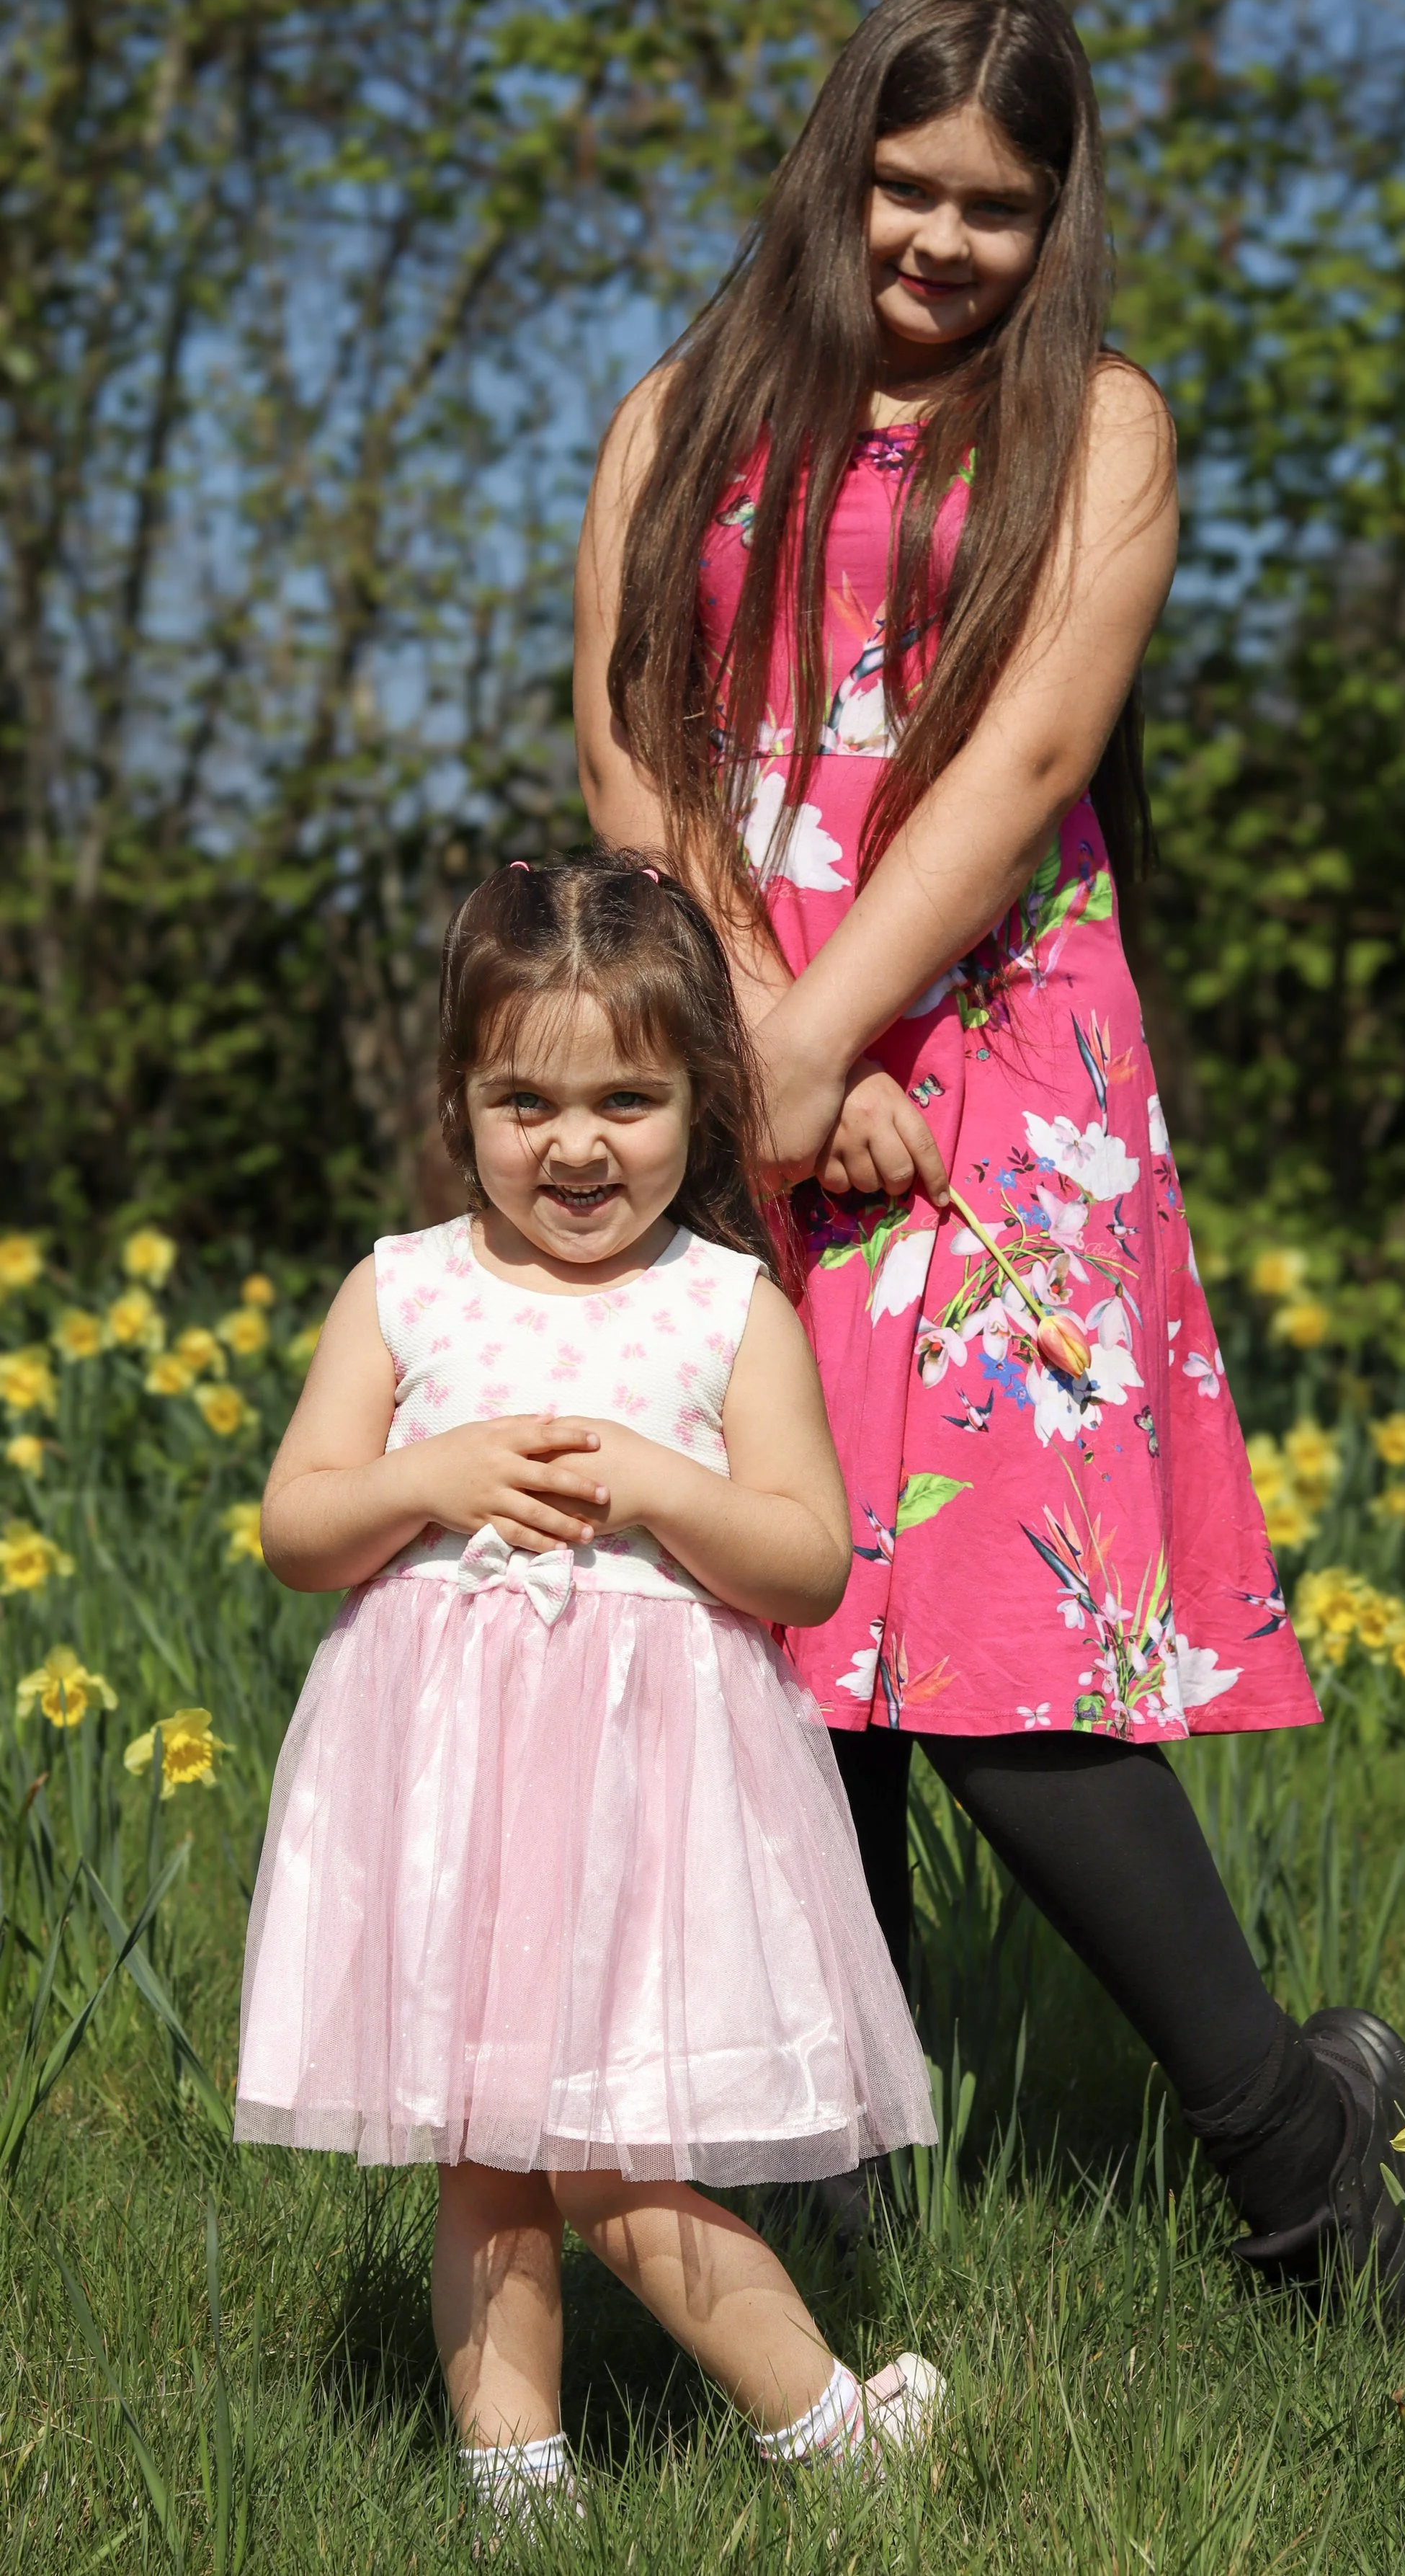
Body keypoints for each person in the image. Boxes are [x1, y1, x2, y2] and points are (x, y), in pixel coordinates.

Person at [573, 0, 1405, 2316]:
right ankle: (838, 2173)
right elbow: (628, 742)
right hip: (727, 1027)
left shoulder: (1105, 434)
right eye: (909, 185)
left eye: (997, 206)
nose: (943, 241)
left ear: (1055, 218)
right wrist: (756, 1037)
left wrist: (832, 1033)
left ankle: (1302, 2173)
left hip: (998, 1076)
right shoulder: (680, 413)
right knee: (793, 1603)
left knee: (990, 1638)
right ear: (839, 161)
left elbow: (1029, 759)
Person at [236, 853, 942, 2523]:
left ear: (701, 1098)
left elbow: (805, 1561)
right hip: (452, 1797)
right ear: (460, 1100)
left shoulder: (721, 1310)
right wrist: (434, 1476)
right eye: (523, 1100)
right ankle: (517, 2479)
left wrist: (656, 1484)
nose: (573, 1146)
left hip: (651, 1802)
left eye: (626, 1098)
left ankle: (817, 2415)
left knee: (606, 2148)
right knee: (487, 2147)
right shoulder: (404, 1292)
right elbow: (296, 1525)